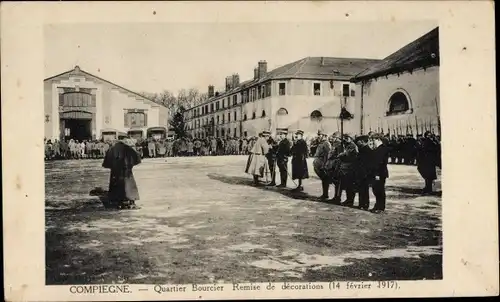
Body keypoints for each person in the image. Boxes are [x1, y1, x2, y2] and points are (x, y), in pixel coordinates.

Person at [102, 137, 142, 209]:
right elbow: (137, 158)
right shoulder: (128, 148)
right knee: (129, 186)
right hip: (127, 171)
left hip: (115, 172)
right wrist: (130, 165)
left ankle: (119, 203)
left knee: (117, 187)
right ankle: (131, 202)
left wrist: (112, 167)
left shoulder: (111, 149)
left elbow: (106, 163)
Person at [369, 133, 390, 213]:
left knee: (379, 190)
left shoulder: (382, 149)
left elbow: (380, 163)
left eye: (373, 140)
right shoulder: (378, 148)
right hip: (378, 173)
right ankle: (377, 206)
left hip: (380, 173)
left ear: (378, 139)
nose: (373, 141)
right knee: (376, 190)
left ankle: (380, 207)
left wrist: (377, 174)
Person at [354, 135, 374, 210]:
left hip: (364, 173)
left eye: (358, 141)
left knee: (364, 189)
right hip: (361, 172)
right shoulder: (363, 149)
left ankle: (364, 204)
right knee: (361, 189)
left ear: (362, 141)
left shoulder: (366, 150)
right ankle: (362, 203)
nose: (357, 143)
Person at [313, 130, 331, 200]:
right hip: (319, 163)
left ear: (324, 136)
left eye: (320, 135)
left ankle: (325, 194)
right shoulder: (321, 143)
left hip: (323, 164)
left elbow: (327, 155)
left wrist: (325, 165)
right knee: (323, 180)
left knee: (325, 179)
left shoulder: (326, 143)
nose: (318, 136)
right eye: (318, 135)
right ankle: (324, 194)